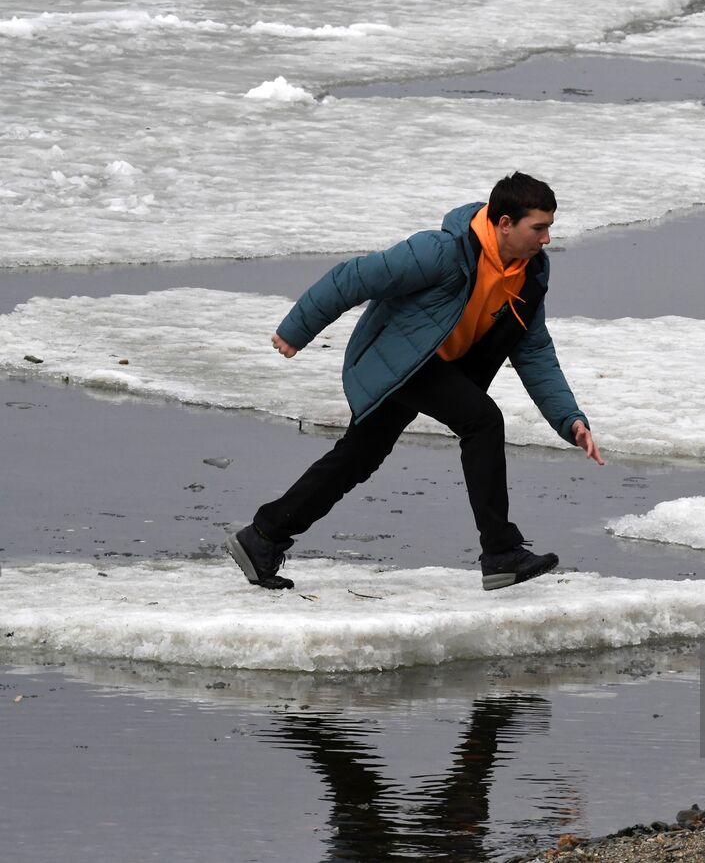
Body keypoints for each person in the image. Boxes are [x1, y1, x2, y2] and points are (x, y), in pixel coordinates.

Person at [225, 172, 603, 592]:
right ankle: (500, 552)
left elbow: (534, 352)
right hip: (395, 361)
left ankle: (262, 537)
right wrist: (296, 330)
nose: (547, 238)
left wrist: (569, 419)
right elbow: (354, 276)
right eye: (539, 227)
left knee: (357, 458)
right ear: (504, 223)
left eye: (550, 227)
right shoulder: (440, 252)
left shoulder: (529, 274)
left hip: (442, 367)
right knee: (482, 421)